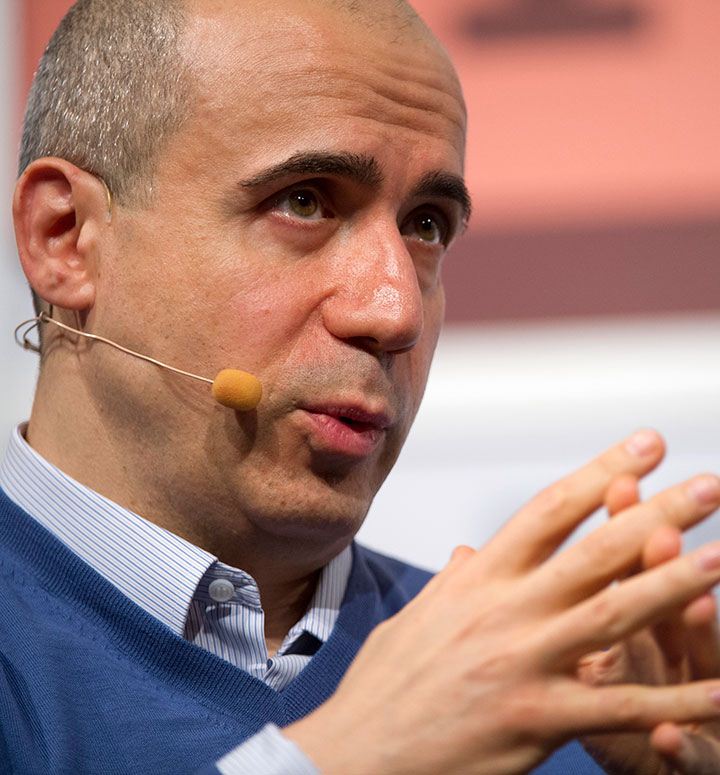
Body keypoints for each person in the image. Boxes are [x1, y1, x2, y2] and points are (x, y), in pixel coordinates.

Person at [2, 0, 720, 772]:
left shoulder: (571, 704)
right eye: (304, 201)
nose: (395, 310)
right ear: (65, 237)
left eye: (426, 225)